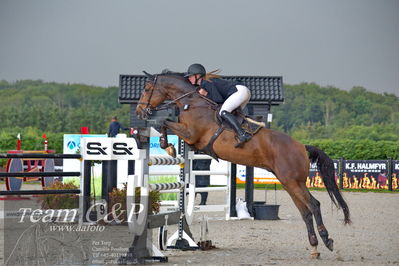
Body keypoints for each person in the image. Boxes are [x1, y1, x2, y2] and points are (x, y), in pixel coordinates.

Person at [184, 63, 252, 147]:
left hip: (239, 92)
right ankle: (244, 131)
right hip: (243, 91)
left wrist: (206, 94)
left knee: (223, 112)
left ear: (197, 75)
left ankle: (242, 134)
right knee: (233, 114)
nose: (189, 78)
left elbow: (218, 100)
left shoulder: (206, 83)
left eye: (190, 76)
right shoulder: (205, 82)